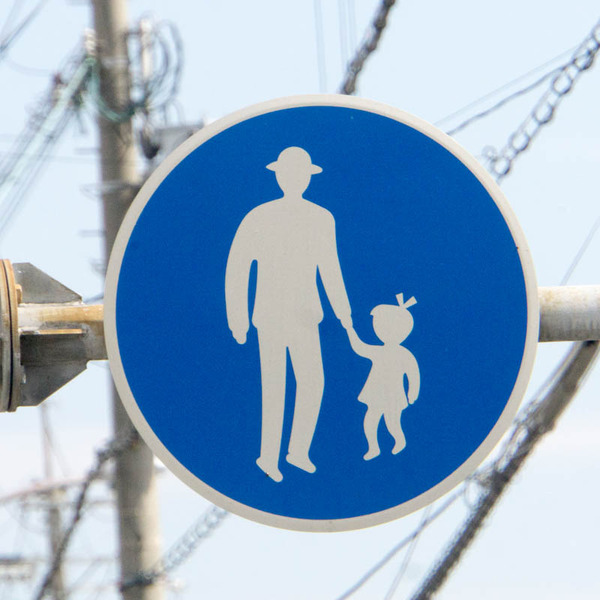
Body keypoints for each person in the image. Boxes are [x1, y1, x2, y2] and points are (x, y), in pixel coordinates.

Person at [225, 146, 352, 482]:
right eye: (288, 174)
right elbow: (237, 268)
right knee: (274, 384)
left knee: (313, 382)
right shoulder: (259, 217)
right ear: (279, 177)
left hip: (306, 315)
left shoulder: (322, 218)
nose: (295, 180)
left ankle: (298, 451)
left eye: (301, 175)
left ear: (308, 179)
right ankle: (268, 458)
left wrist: (344, 314)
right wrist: (237, 319)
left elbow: (330, 269)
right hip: (269, 315)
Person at [346, 294, 420, 460]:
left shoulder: (404, 355)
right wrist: (350, 330)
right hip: (376, 393)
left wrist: (413, 393)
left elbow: (413, 374)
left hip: (394, 395)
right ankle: (373, 447)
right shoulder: (379, 351)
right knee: (370, 420)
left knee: (392, 421)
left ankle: (399, 440)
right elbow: (360, 348)